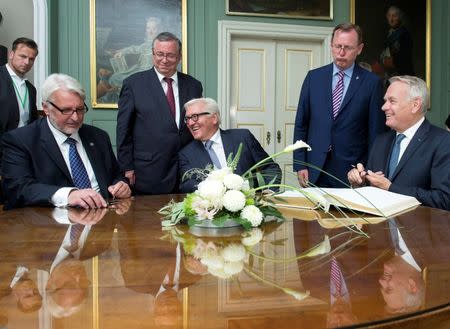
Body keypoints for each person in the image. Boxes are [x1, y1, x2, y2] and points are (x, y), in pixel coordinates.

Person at [1, 73, 131, 209]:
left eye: (80, 110)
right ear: (46, 108)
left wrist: (122, 185)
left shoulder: (98, 137)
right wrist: (68, 195)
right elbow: (17, 189)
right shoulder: (20, 140)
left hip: (103, 218)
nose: (75, 118)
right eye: (66, 110)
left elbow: (116, 175)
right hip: (50, 224)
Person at [293, 23, 385, 188]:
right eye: (338, 46)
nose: (341, 53)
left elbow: (376, 133)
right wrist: (300, 164)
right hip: (314, 168)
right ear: (331, 45)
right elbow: (301, 124)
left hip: (352, 173)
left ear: (359, 49)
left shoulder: (372, 83)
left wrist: (368, 172)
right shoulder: (314, 78)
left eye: (348, 48)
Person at [117, 31, 203, 194]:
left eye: (170, 55)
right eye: (160, 54)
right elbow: (124, 130)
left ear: (179, 57)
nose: (164, 60)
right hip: (148, 170)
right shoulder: (133, 84)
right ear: (152, 54)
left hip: (187, 168)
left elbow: (197, 125)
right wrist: (126, 167)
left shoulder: (194, 85)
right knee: (149, 217)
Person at [347, 76, 450, 210]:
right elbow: (372, 191)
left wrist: (390, 188)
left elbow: (444, 200)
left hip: (418, 229)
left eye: (392, 101)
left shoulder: (443, 141)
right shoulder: (381, 141)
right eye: (385, 101)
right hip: (379, 229)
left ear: (415, 105)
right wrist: (359, 183)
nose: (384, 107)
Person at [178, 97, 282, 192]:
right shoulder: (186, 154)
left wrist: (268, 193)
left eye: (195, 116)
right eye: (187, 119)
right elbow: (187, 185)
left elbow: (270, 168)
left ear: (214, 118)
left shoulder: (242, 137)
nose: (190, 123)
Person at [97, 17, 162, 102]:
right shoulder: (148, 43)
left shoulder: (159, 44)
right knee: (115, 77)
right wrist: (122, 51)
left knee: (115, 78)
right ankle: (109, 98)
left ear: (159, 30)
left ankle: (111, 98)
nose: (150, 31)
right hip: (138, 71)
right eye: (148, 28)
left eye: (154, 28)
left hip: (146, 75)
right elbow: (135, 48)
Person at [378, 6, 414, 79]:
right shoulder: (388, 33)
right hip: (389, 73)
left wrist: (391, 61)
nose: (391, 19)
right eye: (389, 16)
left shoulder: (405, 34)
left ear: (399, 18)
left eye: (394, 16)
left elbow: (405, 58)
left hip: (402, 74)